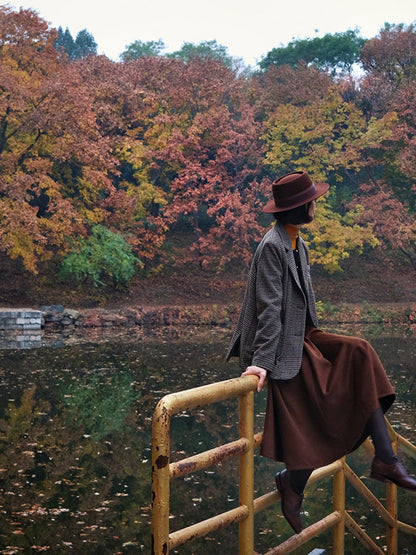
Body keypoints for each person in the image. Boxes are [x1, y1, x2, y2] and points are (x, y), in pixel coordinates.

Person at [227, 171, 416, 534]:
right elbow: (269, 310)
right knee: (328, 406)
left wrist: (317, 342)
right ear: (300, 207)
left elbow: (300, 308)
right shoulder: (272, 246)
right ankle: (293, 482)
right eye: (312, 201)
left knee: (359, 351)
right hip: (280, 345)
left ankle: (387, 461)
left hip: (302, 335)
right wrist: (261, 363)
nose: (316, 205)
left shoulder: (298, 243)